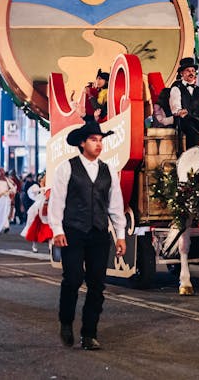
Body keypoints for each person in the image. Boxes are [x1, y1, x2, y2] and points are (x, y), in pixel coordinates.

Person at [48, 116, 127, 350]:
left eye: (100, 140)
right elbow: (57, 201)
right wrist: (57, 230)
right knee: (72, 279)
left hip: (99, 233)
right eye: (93, 140)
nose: (98, 144)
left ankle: (89, 333)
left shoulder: (108, 170)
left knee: (97, 284)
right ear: (82, 143)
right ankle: (66, 322)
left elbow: (115, 204)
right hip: (73, 231)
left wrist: (120, 234)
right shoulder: (67, 168)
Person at [169, 57, 199, 151]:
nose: (191, 73)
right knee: (191, 129)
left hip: (197, 120)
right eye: (188, 71)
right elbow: (175, 107)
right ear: (182, 73)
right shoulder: (176, 88)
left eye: (193, 70)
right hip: (183, 121)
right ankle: (191, 155)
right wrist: (179, 111)